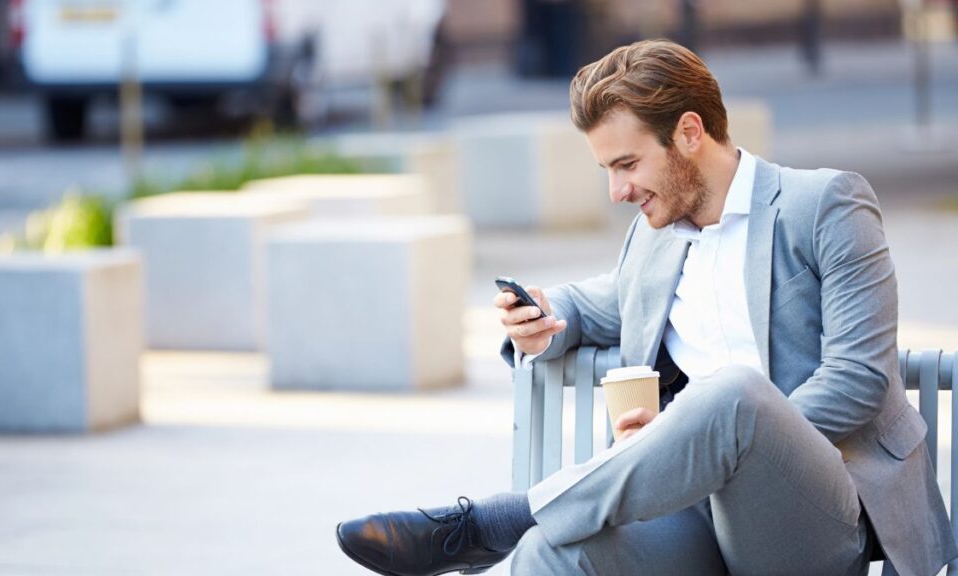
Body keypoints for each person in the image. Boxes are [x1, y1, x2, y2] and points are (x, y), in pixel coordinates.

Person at [335, 39, 958, 576]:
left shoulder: (825, 205)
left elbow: (858, 380)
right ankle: (519, 530)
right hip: (692, 514)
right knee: (550, 552)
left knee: (734, 396)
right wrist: (546, 317)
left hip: (814, 515)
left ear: (689, 132)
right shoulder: (658, 233)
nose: (617, 192)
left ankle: (492, 521)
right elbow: (604, 301)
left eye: (628, 164)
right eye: (607, 169)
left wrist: (697, 435)